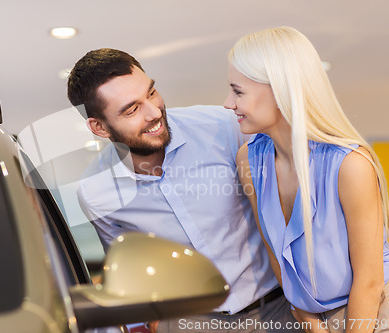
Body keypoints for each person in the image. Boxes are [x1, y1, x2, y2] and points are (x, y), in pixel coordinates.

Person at [68, 48, 300, 332]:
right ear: (99, 127)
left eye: (151, 93)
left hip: (277, 310)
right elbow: (127, 271)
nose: (154, 112)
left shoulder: (224, 128)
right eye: (132, 109)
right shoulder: (96, 191)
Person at [224, 26, 389, 333]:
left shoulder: (349, 165)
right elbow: (277, 254)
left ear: (279, 90)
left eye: (238, 91)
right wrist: (310, 323)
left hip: (372, 313)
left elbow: (369, 282)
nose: (228, 103)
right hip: (306, 318)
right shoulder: (248, 160)